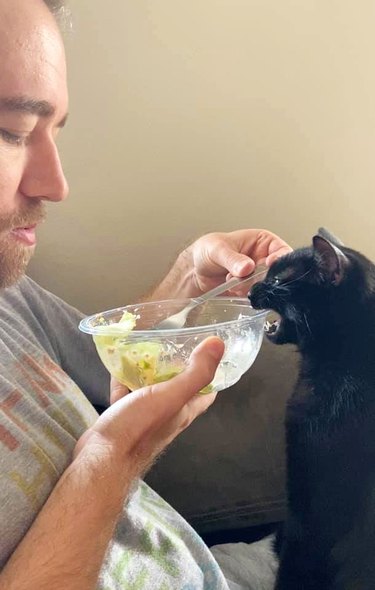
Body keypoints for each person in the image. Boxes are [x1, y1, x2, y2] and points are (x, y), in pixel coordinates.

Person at [0, 1, 292, 589]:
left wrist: (188, 280)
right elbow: (116, 430)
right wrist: (116, 457)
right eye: (13, 132)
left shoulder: (8, 293)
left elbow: (112, 370)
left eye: (53, 131)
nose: (56, 185)